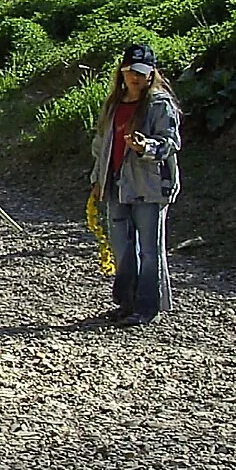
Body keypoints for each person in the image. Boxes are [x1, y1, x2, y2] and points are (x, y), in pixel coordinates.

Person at [89, 42, 182, 328]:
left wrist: (146, 147)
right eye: (130, 71)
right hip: (116, 184)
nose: (135, 78)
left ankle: (147, 307)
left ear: (152, 74)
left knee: (149, 249)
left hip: (149, 186)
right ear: (122, 72)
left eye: (141, 73)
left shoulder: (160, 105)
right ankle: (125, 303)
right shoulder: (113, 105)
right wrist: (97, 180)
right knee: (122, 246)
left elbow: (171, 143)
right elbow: (101, 145)